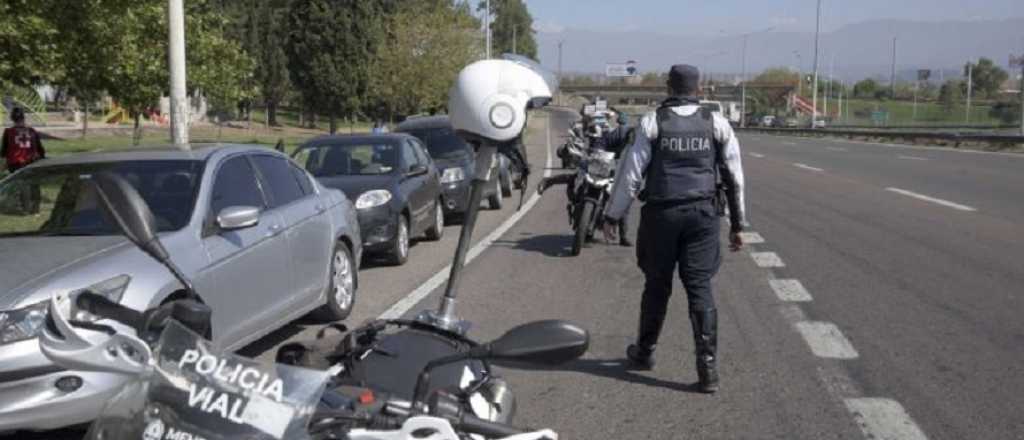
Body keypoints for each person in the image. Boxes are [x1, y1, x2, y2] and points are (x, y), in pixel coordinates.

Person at [601, 64, 746, 394]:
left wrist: (613, 215)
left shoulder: (652, 122)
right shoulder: (716, 123)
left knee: (656, 285)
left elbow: (631, 175)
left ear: (668, 88)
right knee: (700, 287)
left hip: (661, 217)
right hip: (703, 216)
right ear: (699, 89)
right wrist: (737, 225)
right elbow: (734, 177)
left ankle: (645, 352)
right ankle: (708, 369)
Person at [2, 107, 46, 173]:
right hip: (30, 163)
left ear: (12, 119)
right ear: (23, 118)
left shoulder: (8, 132)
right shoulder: (32, 131)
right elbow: (41, 151)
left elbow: (3, 152)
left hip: (14, 165)